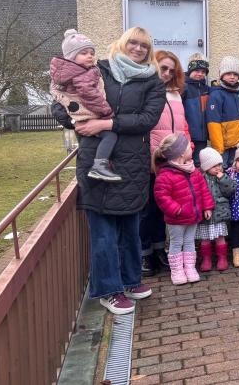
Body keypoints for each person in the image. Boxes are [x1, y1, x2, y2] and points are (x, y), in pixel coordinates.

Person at [51, 26, 165, 315]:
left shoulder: (153, 81)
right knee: (103, 232)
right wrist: (74, 118)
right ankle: (108, 290)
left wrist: (106, 124)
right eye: (133, 43)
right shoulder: (98, 69)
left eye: (144, 46)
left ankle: (130, 280)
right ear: (122, 44)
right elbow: (62, 100)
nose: (138, 49)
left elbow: (147, 119)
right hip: (96, 160)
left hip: (133, 164)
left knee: (130, 229)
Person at [138, 50, 190, 277]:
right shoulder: (144, 90)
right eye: (163, 68)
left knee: (163, 208)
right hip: (151, 159)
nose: (167, 73)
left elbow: (183, 125)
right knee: (146, 208)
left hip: (173, 159)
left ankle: (160, 249)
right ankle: (144, 253)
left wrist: (187, 149)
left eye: (171, 70)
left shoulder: (176, 94)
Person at [50, 29, 120, 182]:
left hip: (80, 117)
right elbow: (90, 95)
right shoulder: (82, 74)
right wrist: (107, 113)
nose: (90, 56)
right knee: (110, 135)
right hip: (88, 115)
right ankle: (100, 166)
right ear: (71, 57)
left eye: (91, 52)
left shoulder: (68, 74)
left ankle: (100, 165)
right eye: (84, 53)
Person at [153, 133, 214, 285]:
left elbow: (203, 189)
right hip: (177, 219)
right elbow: (161, 196)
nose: (192, 147)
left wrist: (207, 206)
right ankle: (177, 270)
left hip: (193, 216)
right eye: (188, 146)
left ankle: (190, 268)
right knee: (176, 243)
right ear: (180, 153)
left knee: (189, 242)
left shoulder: (193, 170)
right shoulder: (165, 175)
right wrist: (176, 210)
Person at [196, 147, 236, 273]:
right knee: (205, 239)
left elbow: (230, 190)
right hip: (205, 216)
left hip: (220, 213)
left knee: (220, 237)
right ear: (206, 167)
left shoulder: (224, 176)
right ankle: (206, 259)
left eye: (219, 164)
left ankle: (222, 258)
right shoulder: (201, 177)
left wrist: (223, 179)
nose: (218, 168)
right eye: (214, 166)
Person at [207, 56, 239, 167]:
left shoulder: (237, 93)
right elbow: (213, 123)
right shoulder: (216, 94)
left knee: (235, 170)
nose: (232, 77)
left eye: (235, 75)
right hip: (223, 147)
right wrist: (218, 148)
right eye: (228, 74)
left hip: (237, 144)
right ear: (221, 75)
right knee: (222, 170)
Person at [182, 53, 211, 165]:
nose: (200, 74)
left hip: (202, 136)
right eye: (197, 71)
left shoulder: (207, 89)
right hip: (188, 133)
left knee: (199, 162)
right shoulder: (184, 87)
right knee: (186, 160)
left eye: (203, 72)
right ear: (190, 71)